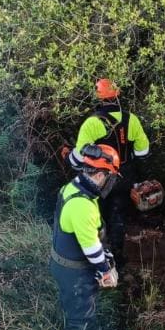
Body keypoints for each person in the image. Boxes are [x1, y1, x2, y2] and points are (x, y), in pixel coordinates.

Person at [68, 78, 150, 271]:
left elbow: (78, 159)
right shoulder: (132, 120)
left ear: (98, 97)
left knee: (98, 215)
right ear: (117, 95)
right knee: (118, 214)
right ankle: (118, 258)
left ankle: (99, 258)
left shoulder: (92, 123)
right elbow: (143, 152)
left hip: (100, 178)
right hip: (124, 175)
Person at [51, 143, 122, 330]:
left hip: (62, 262)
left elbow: (87, 235)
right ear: (100, 175)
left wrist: (104, 251)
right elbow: (91, 250)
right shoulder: (82, 206)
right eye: (111, 177)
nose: (112, 182)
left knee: (69, 303)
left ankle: (66, 321)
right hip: (75, 274)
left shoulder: (73, 187)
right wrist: (105, 271)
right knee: (80, 318)